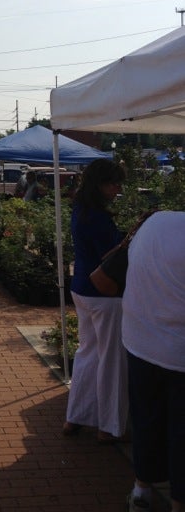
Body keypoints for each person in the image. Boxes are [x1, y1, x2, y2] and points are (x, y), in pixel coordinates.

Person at [121, 211, 185, 512]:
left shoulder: (155, 221)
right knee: (180, 432)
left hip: (140, 343)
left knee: (146, 421)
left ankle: (142, 491)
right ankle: (177, 503)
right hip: (177, 353)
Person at [63, 158, 128, 442]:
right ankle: (109, 426)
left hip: (82, 288)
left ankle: (76, 416)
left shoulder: (80, 208)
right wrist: (128, 240)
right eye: (114, 183)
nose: (118, 188)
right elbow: (110, 254)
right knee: (111, 359)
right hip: (105, 293)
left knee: (87, 353)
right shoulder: (99, 217)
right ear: (101, 184)